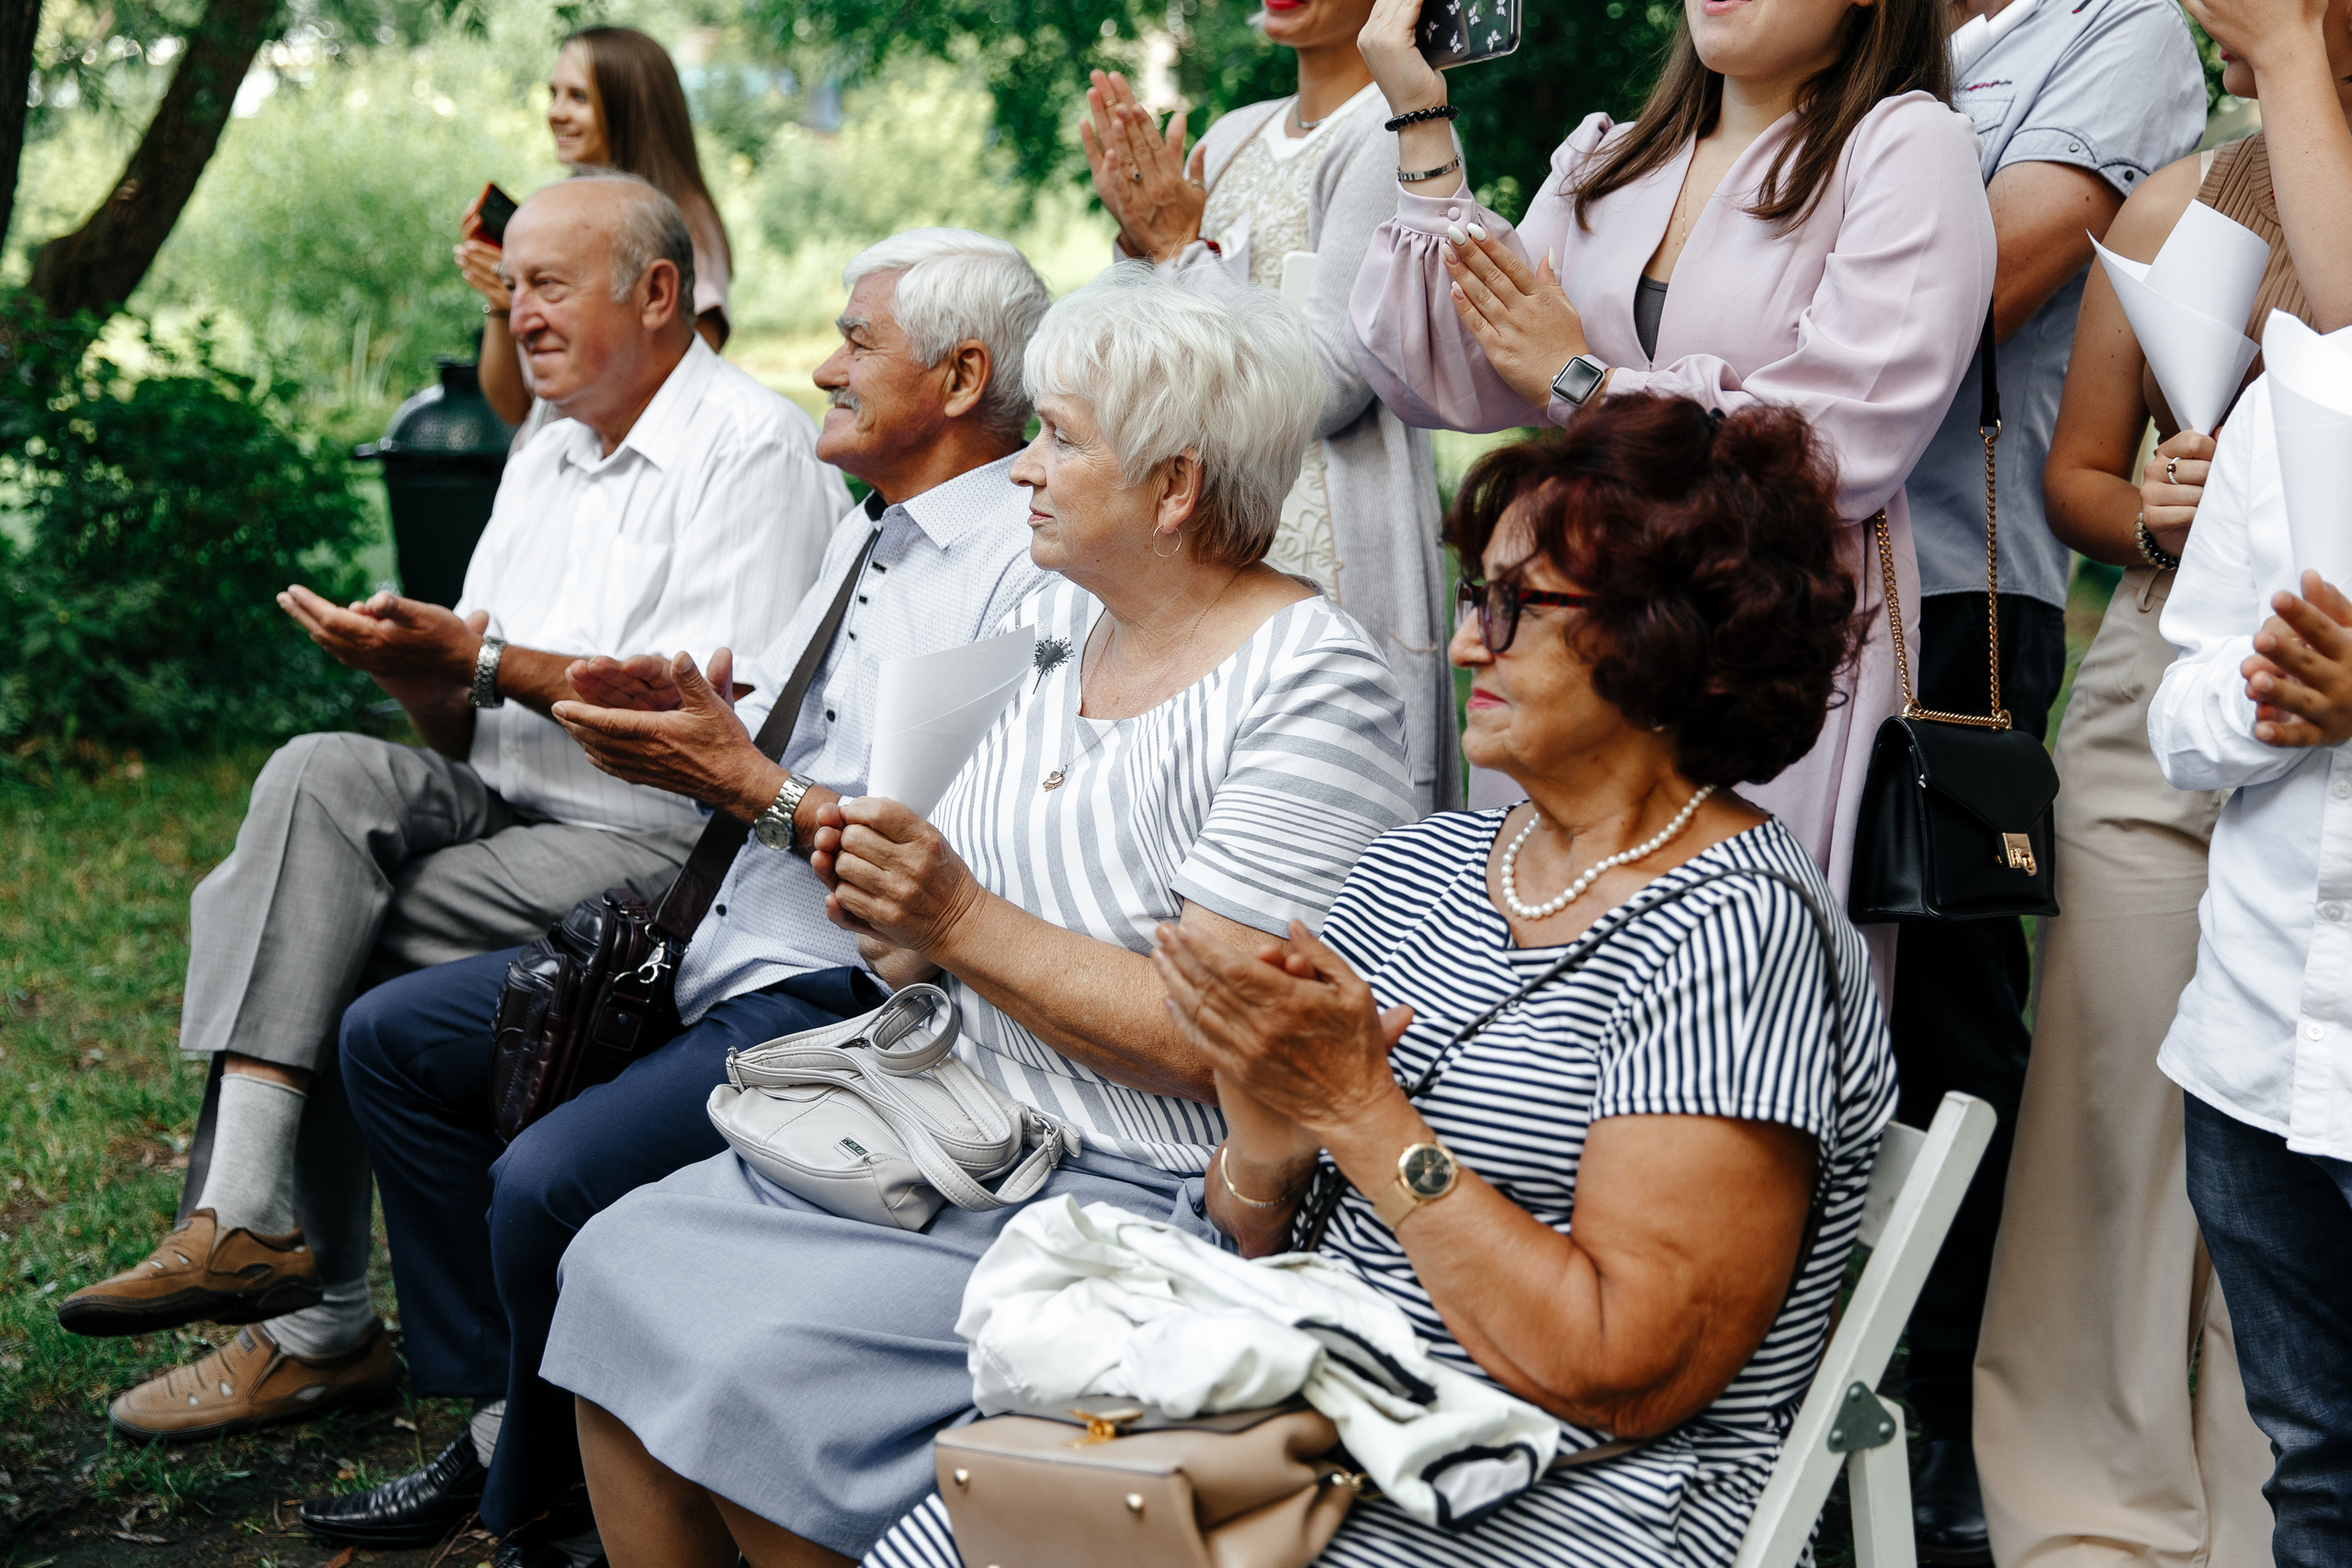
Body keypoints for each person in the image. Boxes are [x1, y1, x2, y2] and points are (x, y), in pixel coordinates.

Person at [868, 394, 1895, 1568]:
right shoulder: (1430, 865)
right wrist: (1262, 1140)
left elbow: (1627, 1375)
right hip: (1306, 1417)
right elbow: (1256, 1241)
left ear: (1671, 633)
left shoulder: (1731, 929)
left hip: (1547, 1489)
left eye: (1516, 607)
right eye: (1475, 599)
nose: (1466, 643)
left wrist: (1363, 1114)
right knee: (957, 1533)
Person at [537, 265, 1418, 1567]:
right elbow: (931, 902)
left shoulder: (1312, 680)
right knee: (614, 1258)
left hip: (1124, 1183)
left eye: (1061, 439)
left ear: (1175, 487)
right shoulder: (1049, 612)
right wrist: (883, 898)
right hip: (936, 1117)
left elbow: (1213, 1040)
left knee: (759, 1364)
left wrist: (951, 921)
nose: (1023, 469)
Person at [300, 231, 1057, 1568]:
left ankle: (533, 1507)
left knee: (543, 1180)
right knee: (392, 1042)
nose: (821, 366)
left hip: (831, 981)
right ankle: (510, 1419)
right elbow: (764, 726)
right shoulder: (872, 532)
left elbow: (922, 866)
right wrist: (686, 711)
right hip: (705, 929)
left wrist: (738, 772)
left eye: (855, 343)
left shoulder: (1016, 566)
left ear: (960, 376)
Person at [63, 174, 844, 1448]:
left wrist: (478, 657)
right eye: (511, 284)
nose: (517, 315)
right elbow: (469, 720)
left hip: (664, 846)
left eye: (547, 286)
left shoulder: (748, 448)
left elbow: (689, 730)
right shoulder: (541, 450)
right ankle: (248, 1210)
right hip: (505, 807)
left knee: (292, 914)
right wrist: (419, 676)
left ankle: (316, 1322)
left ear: (657, 294)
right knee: (320, 768)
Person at [1347, 0, 1995, 935]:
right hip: (1565, 626)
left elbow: (1837, 442)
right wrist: (1421, 119)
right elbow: (1446, 372)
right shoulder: (1608, 159)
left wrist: (1582, 382)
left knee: (1720, 950)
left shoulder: (1902, 146)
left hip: (1745, 635)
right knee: (1536, 934)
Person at [1978, 0, 2352, 1557]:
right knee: (2125, 1105)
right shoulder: (2182, 196)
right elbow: (2077, 473)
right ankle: (2101, 1514)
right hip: (2164, 688)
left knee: (2289, 1106)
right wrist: (2151, 512)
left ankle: (2275, 1506)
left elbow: (2343, 362)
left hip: (2322, 696)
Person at [1872, 0, 2209, 1550]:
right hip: (1774, 582)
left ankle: (1941, 1408)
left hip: (1954, 588)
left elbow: (1980, 289)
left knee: (1950, 996)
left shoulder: (2123, 28)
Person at [1077, 0, 1456, 815]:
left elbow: (1328, 382)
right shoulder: (1237, 133)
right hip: (1209, 534)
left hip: (1332, 542)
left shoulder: (1397, 132)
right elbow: (1160, 349)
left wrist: (1180, 250)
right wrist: (1143, 244)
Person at [2146, 359, 2352, 1568]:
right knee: (2318, 1471)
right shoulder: (2298, 395)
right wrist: (2271, 695)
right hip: (2258, 1051)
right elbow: (2178, 714)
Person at [457, 25, 735, 437]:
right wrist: (502, 301)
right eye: (554, 93)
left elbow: (683, 388)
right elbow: (513, 406)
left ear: (631, 107)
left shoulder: (682, 224)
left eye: (578, 97)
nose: (555, 112)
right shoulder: (564, 213)